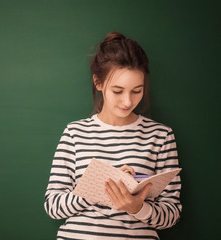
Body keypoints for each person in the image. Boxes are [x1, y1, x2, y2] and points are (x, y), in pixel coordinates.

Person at [44, 32, 182, 240]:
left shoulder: (161, 135)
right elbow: (53, 206)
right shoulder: (75, 132)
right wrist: (96, 189)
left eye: (137, 90)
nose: (127, 101)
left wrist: (138, 208)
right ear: (98, 83)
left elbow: (172, 213)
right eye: (118, 91)